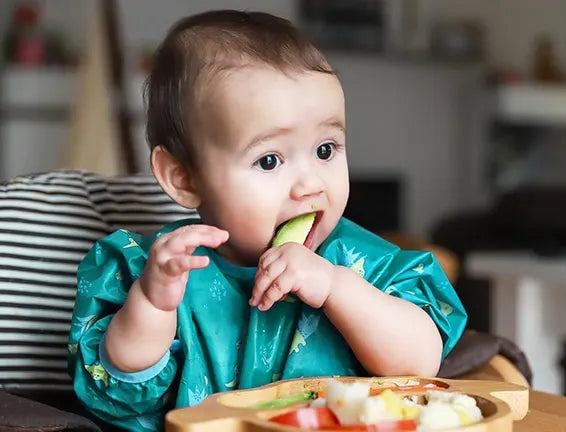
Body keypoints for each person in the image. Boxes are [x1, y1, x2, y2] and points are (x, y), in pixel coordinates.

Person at [68, 10, 467, 431]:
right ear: (183, 177)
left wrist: (335, 287)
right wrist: (152, 304)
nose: (310, 184)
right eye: (270, 160)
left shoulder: (364, 264)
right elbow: (118, 389)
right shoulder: (164, 270)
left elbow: (421, 363)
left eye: (326, 150)